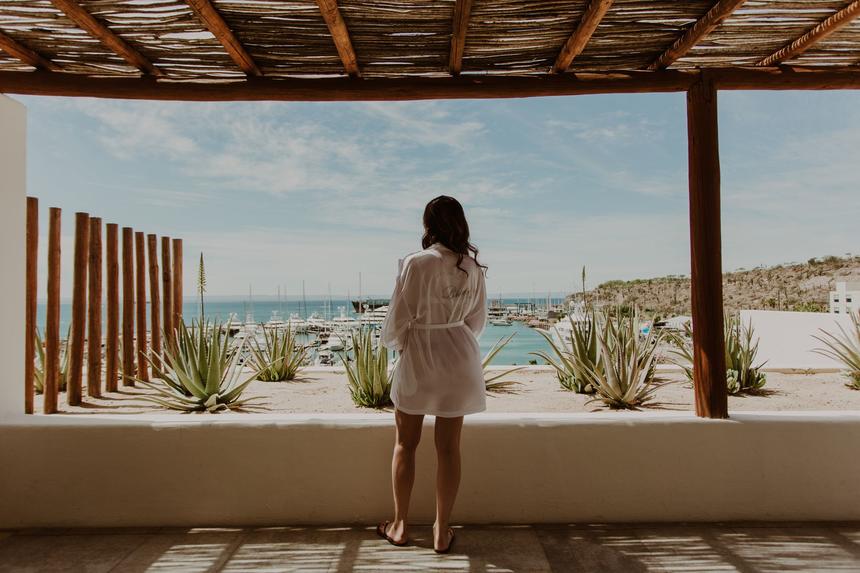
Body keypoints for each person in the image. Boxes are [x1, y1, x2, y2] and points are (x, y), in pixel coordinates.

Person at [376, 195, 488, 554]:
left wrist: (401, 346)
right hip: (459, 358)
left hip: (420, 357)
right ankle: (441, 530)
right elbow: (476, 323)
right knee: (449, 449)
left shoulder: (416, 262)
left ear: (428, 225)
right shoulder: (472, 267)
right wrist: (451, 334)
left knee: (405, 444)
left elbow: (398, 317)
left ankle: (400, 526)